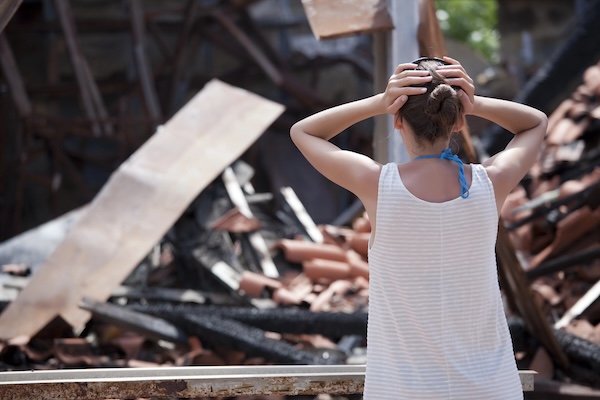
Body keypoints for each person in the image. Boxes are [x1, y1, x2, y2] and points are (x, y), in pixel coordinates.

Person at [290, 56, 547, 400]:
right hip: (491, 387)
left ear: (397, 120)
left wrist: (378, 102)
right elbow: (535, 123)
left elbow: (303, 131)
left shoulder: (377, 185)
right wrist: (476, 103)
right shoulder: (491, 183)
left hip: (402, 391)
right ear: (458, 120)